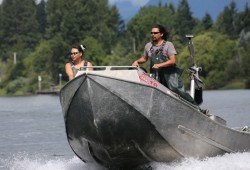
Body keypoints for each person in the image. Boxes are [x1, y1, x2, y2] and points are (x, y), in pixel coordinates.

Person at [132, 24, 208, 115]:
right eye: (151, 33)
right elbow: (145, 58)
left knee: (178, 91)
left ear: (161, 34)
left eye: (155, 33)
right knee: (157, 94)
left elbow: (172, 61)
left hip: (170, 75)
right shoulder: (148, 46)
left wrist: (160, 65)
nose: (153, 34)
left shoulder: (168, 45)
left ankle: (198, 110)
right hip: (156, 75)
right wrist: (137, 61)